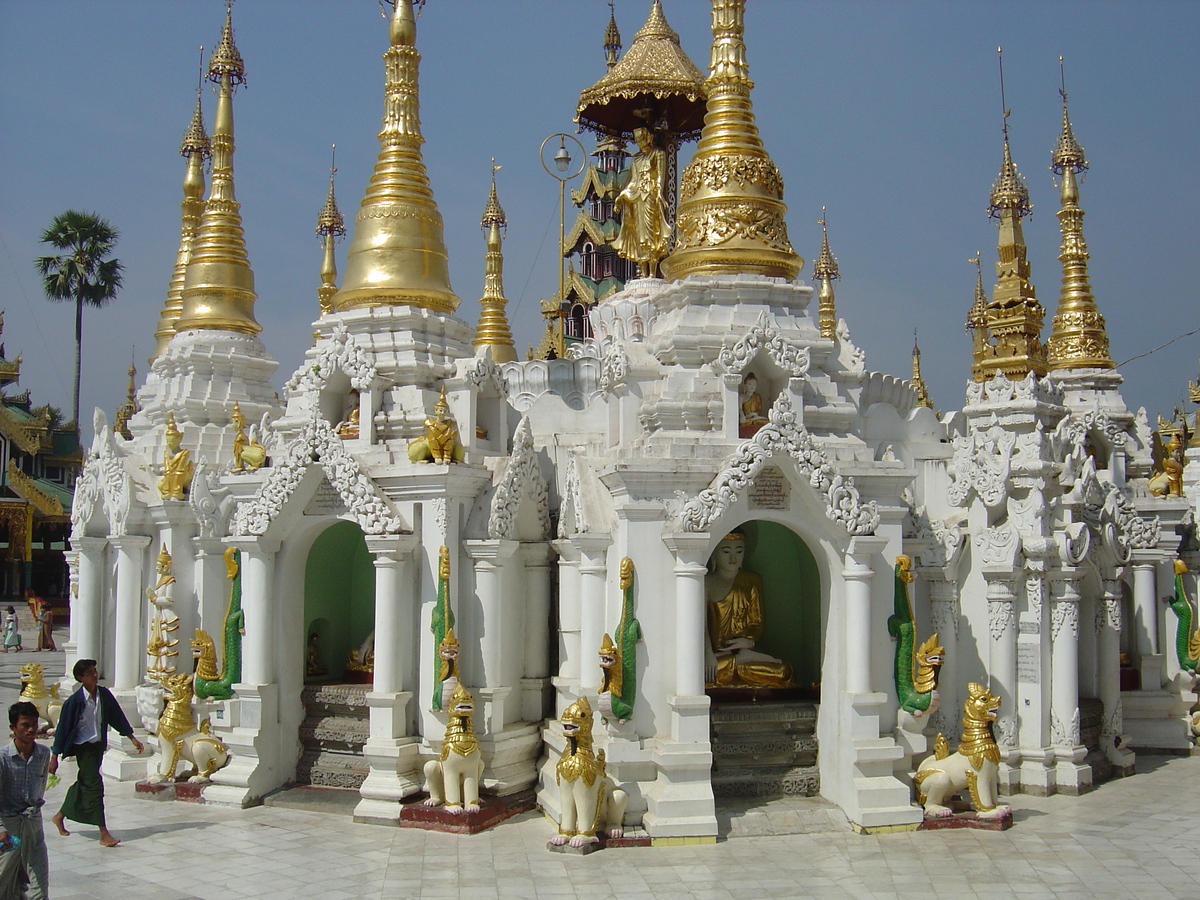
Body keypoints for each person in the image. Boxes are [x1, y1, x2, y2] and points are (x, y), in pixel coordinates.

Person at [49, 660, 144, 847]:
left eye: (95, 671)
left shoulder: (104, 695)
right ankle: (103, 832)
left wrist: (131, 737)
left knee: (85, 783)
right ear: (80, 678)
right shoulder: (74, 702)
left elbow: (117, 716)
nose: (94, 674)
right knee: (94, 787)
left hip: (97, 747)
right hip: (83, 749)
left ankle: (60, 816)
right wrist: (54, 756)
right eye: (90, 672)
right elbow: (63, 729)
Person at [704, 530, 794, 688]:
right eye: (726, 552)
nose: (733, 558)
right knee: (701, 674)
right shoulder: (705, 582)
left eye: (739, 551)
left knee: (782, 672)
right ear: (714, 555)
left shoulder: (752, 580)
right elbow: (699, 624)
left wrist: (748, 641)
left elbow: (757, 622)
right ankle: (740, 659)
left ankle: (743, 658)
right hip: (717, 655)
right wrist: (708, 654)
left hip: (746, 650)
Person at [0, 701, 51, 899]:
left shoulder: (43, 754)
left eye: (34, 724)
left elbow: (40, 789)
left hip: (33, 828)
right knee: (5, 884)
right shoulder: (3, 758)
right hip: (9, 831)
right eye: (25, 725)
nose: (31, 729)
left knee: (39, 887)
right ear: (13, 728)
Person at [611, 126, 669, 278]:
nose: (640, 142)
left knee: (652, 231)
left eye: (642, 138)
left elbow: (660, 177)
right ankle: (642, 270)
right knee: (639, 232)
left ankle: (652, 271)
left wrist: (659, 193)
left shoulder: (658, 153)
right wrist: (621, 196)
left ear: (649, 137)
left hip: (650, 195)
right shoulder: (636, 158)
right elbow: (633, 180)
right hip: (637, 197)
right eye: (637, 140)